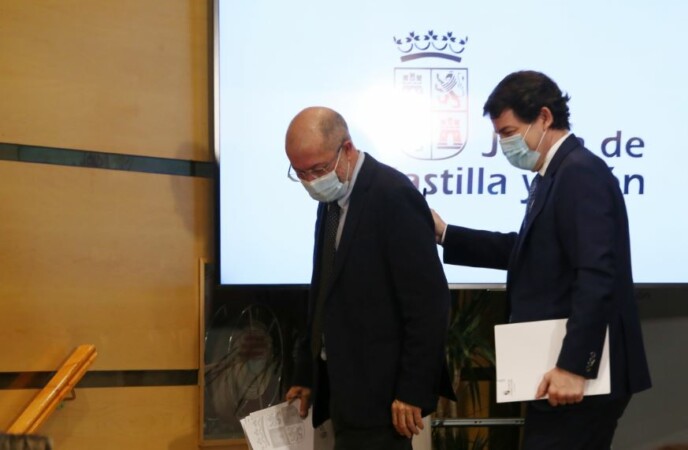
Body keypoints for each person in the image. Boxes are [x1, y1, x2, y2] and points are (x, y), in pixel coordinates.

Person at [432, 71, 651, 449]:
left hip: (579, 375)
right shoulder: (552, 175)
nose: (505, 145)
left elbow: (596, 275)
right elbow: (528, 251)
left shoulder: (579, 173)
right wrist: (447, 234)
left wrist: (573, 366)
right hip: (557, 368)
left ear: (544, 117)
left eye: (509, 132)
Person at [284, 106, 454, 450]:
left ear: (346, 149)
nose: (311, 182)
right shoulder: (333, 199)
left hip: (384, 398)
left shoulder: (392, 195)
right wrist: (307, 372)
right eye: (300, 173)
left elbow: (429, 304)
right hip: (343, 390)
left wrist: (412, 390)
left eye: (318, 169)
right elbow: (324, 290)